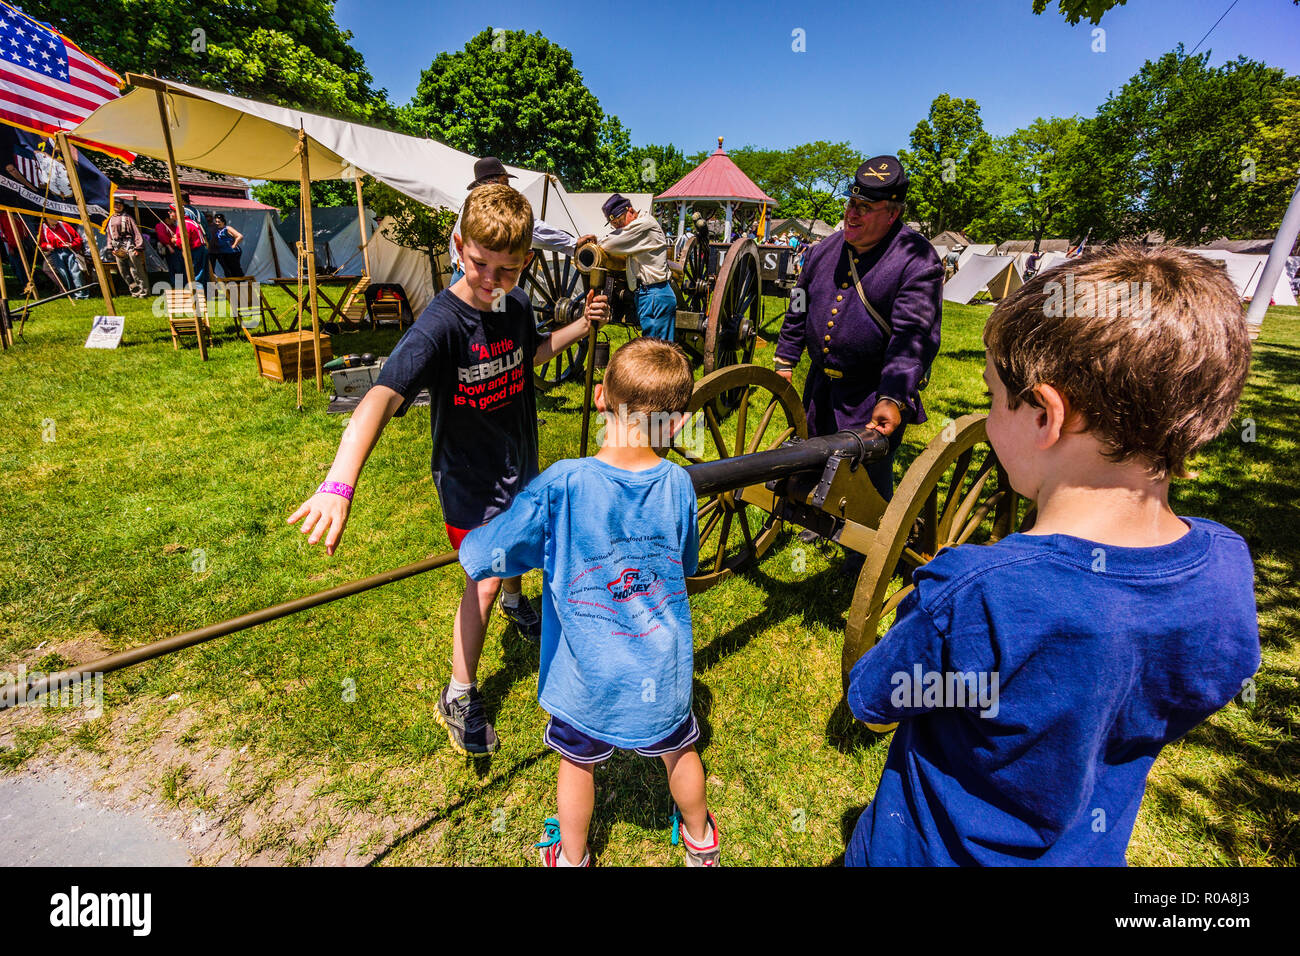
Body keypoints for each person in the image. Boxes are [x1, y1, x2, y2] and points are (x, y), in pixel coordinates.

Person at [845, 246, 1260, 866]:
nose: (988, 416)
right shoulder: (1228, 564)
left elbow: (873, 697)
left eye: (992, 397)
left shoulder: (978, 591)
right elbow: (1215, 677)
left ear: (1044, 414)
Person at [287, 184, 609, 756]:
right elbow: (380, 398)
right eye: (480, 264)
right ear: (458, 244)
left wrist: (579, 329)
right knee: (482, 579)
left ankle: (516, 604)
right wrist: (339, 482)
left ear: (527, 263)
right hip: (467, 478)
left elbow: (529, 354)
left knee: (521, 546)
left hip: (517, 459)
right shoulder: (440, 324)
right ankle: (457, 692)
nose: (491, 281)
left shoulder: (516, 306)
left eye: (508, 270)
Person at [458, 337, 719, 867]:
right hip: (661, 667)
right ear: (674, 424)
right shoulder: (680, 485)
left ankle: (572, 856)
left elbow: (490, 554)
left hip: (587, 677)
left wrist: (477, 543)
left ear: (600, 396)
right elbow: (687, 562)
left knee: (577, 763)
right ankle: (700, 840)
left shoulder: (563, 484)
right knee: (680, 750)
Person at [774, 156, 942, 506]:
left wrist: (892, 396)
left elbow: (913, 336)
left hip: (872, 391)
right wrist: (786, 359)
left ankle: (862, 552)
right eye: (851, 203)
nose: (852, 214)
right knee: (814, 456)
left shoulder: (916, 258)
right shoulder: (824, 251)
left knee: (868, 478)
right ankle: (816, 517)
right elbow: (799, 304)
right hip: (821, 386)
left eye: (865, 207)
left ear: (892, 214)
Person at [448, 157, 583, 284]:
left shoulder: (469, 205)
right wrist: (573, 244)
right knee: (497, 308)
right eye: (505, 182)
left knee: (456, 308)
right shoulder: (492, 204)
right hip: (479, 278)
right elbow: (529, 229)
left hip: (462, 273)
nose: (509, 187)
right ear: (491, 183)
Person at [592, 193, 676, 340]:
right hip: (648, 294)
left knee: (655, 351)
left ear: (630, 210)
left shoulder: (644, 224)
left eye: (620, 222)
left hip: (654, 294)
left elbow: (609, 244)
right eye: (615, 225)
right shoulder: (640, 225)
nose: (620, 227)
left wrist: (595, 242)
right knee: (655, 349)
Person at [106, 196, 149, 298]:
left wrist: (138, 247)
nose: (117, 206)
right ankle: (134, 290)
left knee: (135, 270)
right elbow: (109, 234)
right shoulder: (110, 219)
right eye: (115, 204)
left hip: (129, 245)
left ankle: (144, 292)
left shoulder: (128, 218)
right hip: (117, 247)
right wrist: (111, 247)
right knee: (123, 271)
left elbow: (136, 232)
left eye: (119, 205)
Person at [155, 206, 208, 286]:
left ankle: (195, 294)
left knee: (194, 274)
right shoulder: (190, 221)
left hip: (195, 250)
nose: (169, 213)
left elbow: (183, 241)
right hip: (199, 249)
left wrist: (175, 240)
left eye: (171, 211)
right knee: (198, 273)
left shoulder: (184, 224)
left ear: (177, 213)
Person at [38, 219, 90, 299]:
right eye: (52, 217)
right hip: (55, 253)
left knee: (75, 272)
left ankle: (81, 294)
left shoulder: (64, 225)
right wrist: (47, 246)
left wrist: (72, 244)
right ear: (47, 218)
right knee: (63, 274)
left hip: (69, 251)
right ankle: (71, 293)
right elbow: (42, 243)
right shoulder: (43, 228)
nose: (54, 218)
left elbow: (77, 238)